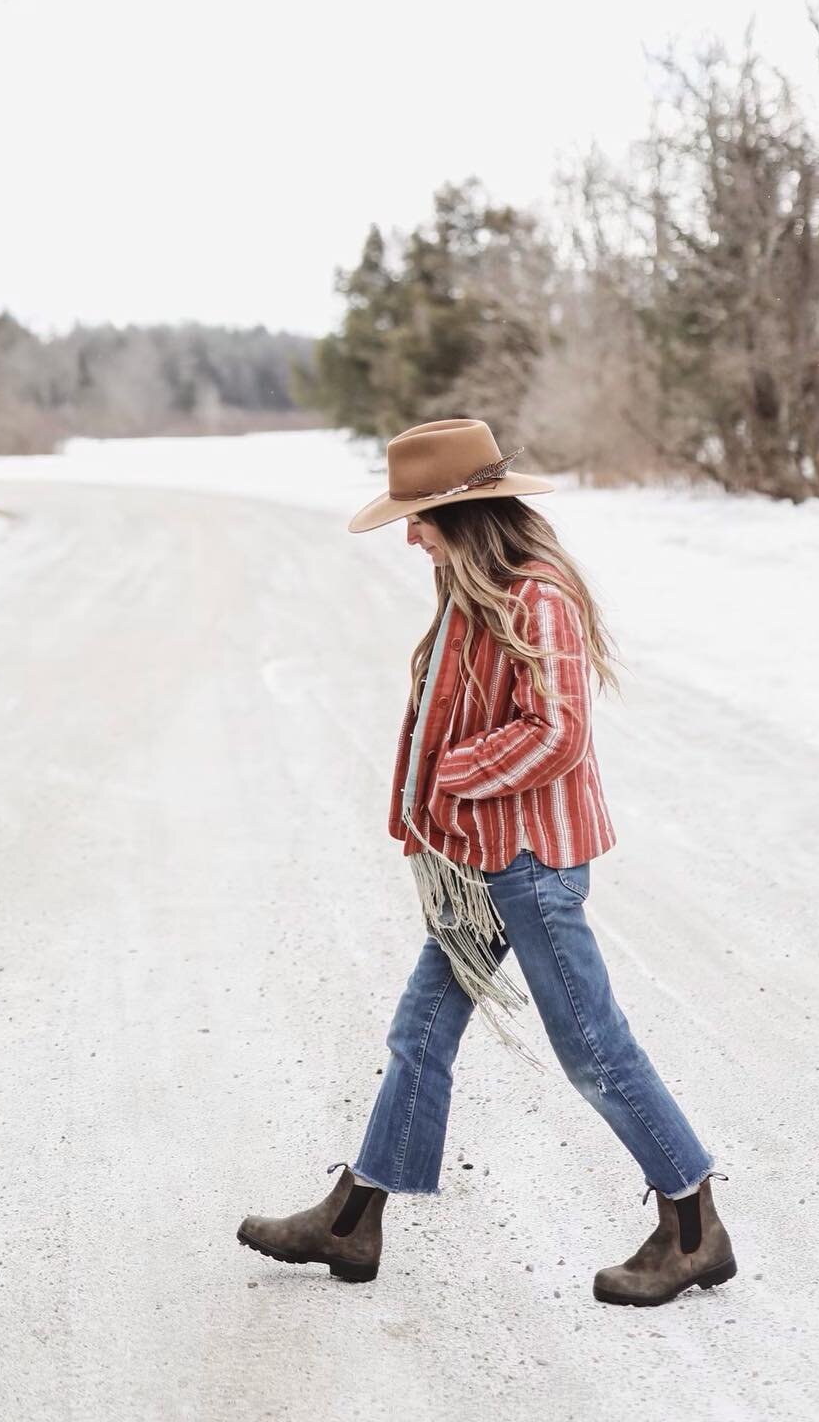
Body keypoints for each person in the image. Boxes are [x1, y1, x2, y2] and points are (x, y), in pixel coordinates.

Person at [236, 417, 736, 1305]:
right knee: (419, 1033)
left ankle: (692, 1226)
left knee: (591, 1047)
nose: (410, 533)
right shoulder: (474, 594)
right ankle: (354, 1221)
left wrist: (452, 776)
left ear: (466, 514)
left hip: (530, 864)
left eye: (420, 516)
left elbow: (559, 730)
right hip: (483, 861)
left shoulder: (536, 596)